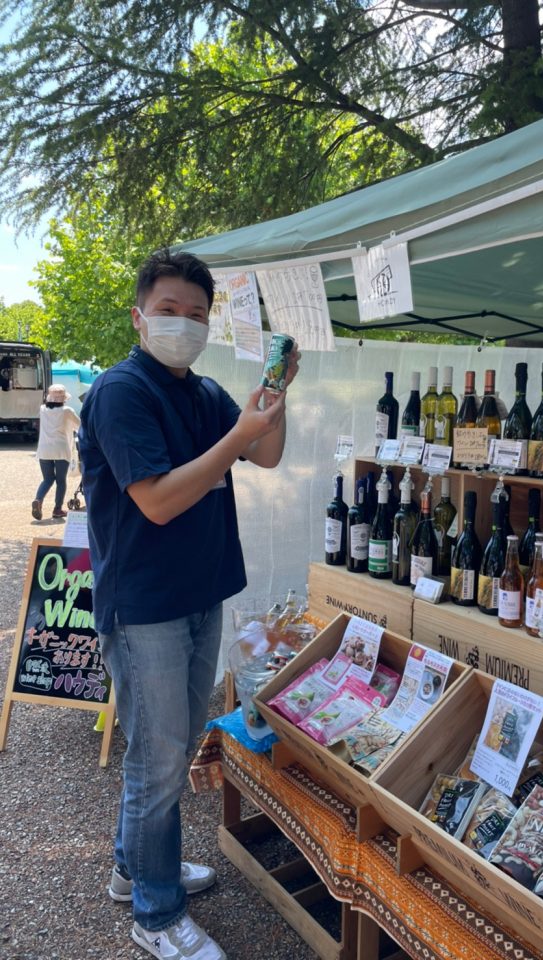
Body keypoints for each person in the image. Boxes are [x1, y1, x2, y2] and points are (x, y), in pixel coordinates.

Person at [79, 249, 300, 960]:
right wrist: (238, 435)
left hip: (201, 592)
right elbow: (159, 501)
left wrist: (273, 403)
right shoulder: (121, 393)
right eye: (169, 312)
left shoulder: (201, 393)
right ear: (139, 316)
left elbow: (263, 458)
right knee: (160, 758)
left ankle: (132, 869)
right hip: (146, 606)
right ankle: (157, 910)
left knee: (163, 749)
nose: (183, 325)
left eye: (197, 316)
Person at [32, 383, 80, 520]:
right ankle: (57, 509)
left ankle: (38, 500)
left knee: (47, 479)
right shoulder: (67, 411)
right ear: (63, 398)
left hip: (44, 450)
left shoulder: (43, 409)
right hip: (61, 449)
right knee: (60, 480)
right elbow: (80, 426)